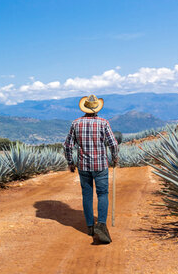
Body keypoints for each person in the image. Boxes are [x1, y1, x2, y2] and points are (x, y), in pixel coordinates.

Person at [63, 94, 119, 244]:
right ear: (96, 109)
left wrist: (70, 162)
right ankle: (101, 225)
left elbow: (67, 146)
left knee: (87, 195)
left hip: (83, 165)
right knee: (102, 194)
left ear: (85, 108)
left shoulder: (76, 123)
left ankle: (89, 227)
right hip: (101, 165)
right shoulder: (103, 123)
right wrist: (114, 157)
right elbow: (113, 144)